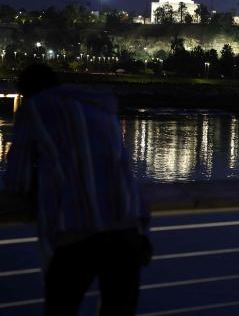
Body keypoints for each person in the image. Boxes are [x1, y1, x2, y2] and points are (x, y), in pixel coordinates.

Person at [5, 64, 151, 316]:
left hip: (77, 229)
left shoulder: (35, 108)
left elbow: (18, 178)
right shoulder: (101, 105)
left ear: (27, 92)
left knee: (60, 308)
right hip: (127, 228)